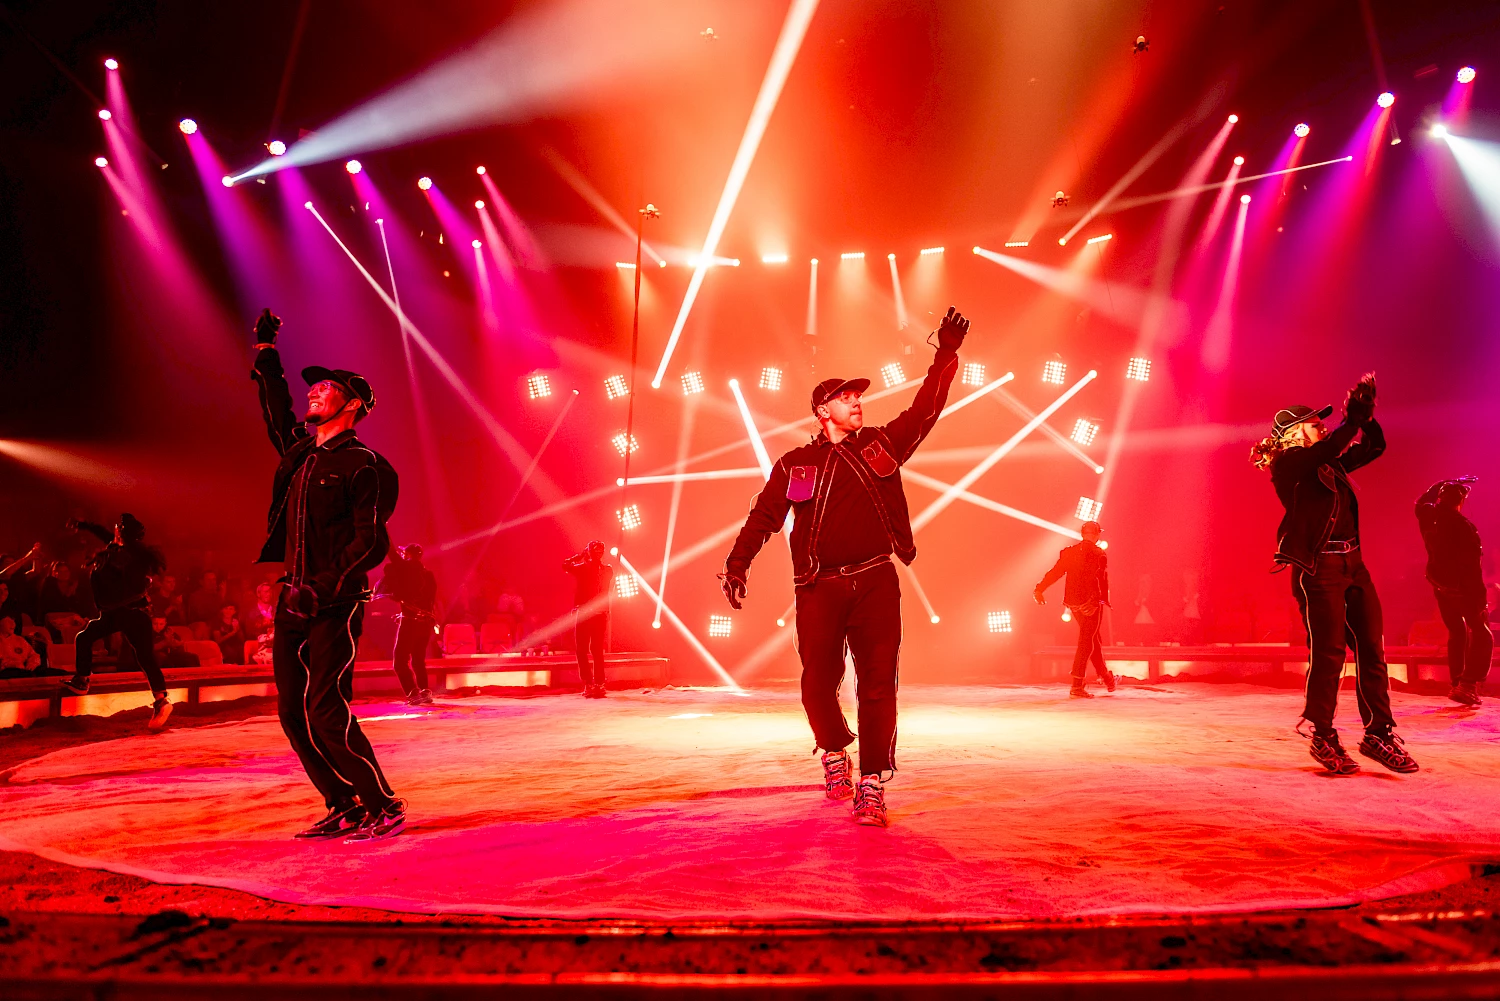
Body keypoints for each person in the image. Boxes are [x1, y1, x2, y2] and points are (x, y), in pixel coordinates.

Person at [721, 306, 970, 828]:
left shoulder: (882, 444)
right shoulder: (795, 464)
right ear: (822, 410)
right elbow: (764, 517)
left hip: (876, 580)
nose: (857, 401)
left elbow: (926, 408)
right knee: (817, 683)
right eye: (846, 396)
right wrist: (738, 563)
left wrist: (946, 354)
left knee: (878, 684)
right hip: (819, 587)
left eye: (859, 396)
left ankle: (872, 783)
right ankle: (834, 750)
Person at [251, 307, 404, 842]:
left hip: (334, 603)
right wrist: (266, 353)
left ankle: (382, 804)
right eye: (313, 387)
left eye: (328, 387)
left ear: (354, 403)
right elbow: (277, 411)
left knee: (324, 710)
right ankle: (343, 803)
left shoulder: (366, 465)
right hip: (292, 600)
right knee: (292, 713)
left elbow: (372, 541)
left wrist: (325, 585)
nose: (314, 391)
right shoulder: (300, 455)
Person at [1249, 373, 1417, 775]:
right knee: (1329, 653)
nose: (1322, 427)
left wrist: (1366, 419)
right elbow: (1327, 449)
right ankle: (1322, 734)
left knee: (1372, 649)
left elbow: (1375, 447)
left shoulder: (1328, 462)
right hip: (1319, 568)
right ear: (1293, 434)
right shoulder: (1289, 465)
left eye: (1323, 422)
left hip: (1353, 565)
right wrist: (1349, 421)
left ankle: (1378, 734)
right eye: (1314, 424)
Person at [61, 514, 173, 731]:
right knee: (145, 657)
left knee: (85, 637)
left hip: (121, 612)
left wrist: (112, 599)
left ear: (122, 532)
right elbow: (105, 535)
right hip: (130, 613)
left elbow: (124, 587)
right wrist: (83, 525)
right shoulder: (125, 549)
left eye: (117, 529)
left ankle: (82, 680)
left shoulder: (123, 555)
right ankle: (161, 700)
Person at [1415, 476, 1491, 707]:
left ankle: (1457, 682)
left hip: (1442, 586)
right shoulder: (1463, 526)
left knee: (1457, 632)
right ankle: (1468, 685)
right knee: (1482, 634)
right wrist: (1481, 597)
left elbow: (1421, 502)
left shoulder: (1429, 518)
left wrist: (1442, 483)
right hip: (1464, 589)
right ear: (1461, 500)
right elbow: (1472, 566)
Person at [1033, 522, 1115, 697]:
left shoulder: (1069, 552)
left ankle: (1107, 678)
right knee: (1087, 641)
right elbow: (1101, 580)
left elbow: (1055, 572)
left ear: (1082, 534)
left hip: (1074, 604)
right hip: (1091, 603)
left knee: (1092, 639)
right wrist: (1098, 601)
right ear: (1097, 535)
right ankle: (1077, 685)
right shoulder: (1099, 554)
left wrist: (1040, 589)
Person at [375, 544, 439, 706]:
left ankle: (413, 693)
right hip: (425, 623)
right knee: (418, 660)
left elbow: (391, 554)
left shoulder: (405, 569)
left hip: (410, 622)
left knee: (399, 662)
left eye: (404, 555)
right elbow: (426, 601)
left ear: (408, 555)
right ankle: (425, 691)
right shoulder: (429, 575)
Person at [562, 541, 612, 698]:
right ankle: (599, 684)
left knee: (582, 649)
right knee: (596, 649)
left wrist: (580, 556)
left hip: (586, 613)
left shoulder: (583, 568)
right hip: (599, 613)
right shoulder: (608, 570)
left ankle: (589, 684)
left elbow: (565, 565)